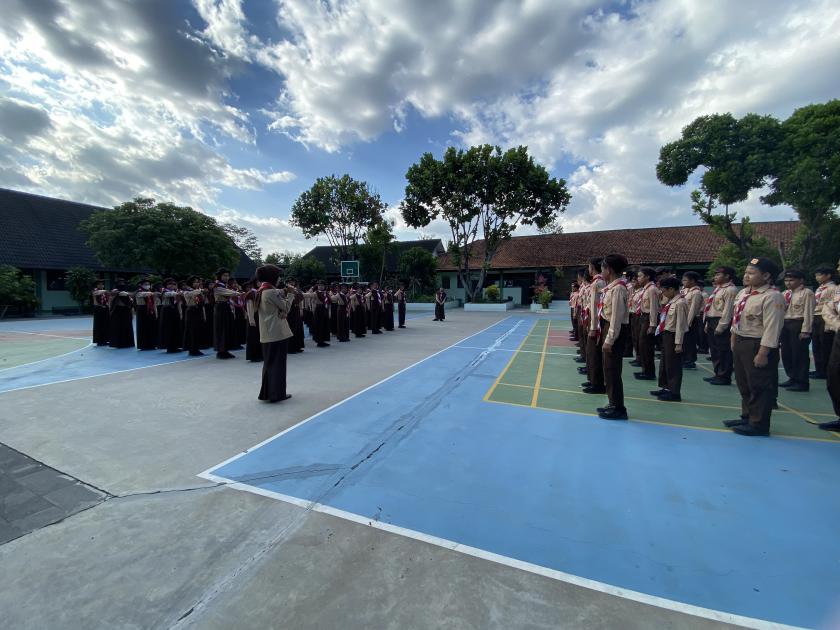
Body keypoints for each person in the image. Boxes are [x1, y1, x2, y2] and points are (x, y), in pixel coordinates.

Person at [724, 257, 785, 436]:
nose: (746, 276)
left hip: (758, 344)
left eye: (751, 273)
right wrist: (734, 337)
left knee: (759, 384)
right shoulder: (744, 294)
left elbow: (772, 328)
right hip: (742, 340)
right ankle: (747, 416)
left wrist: (763, 353)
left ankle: (759, 424)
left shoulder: (773, 296)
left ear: (766, 276)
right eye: (746, 272)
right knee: (744, 383)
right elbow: (737, 317)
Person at [595, 254, 630, 420]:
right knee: (608, 369)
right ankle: (612, 402)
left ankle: (618, 408)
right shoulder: (612, 288)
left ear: (609, 269)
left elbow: (616, 317)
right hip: (608, 327)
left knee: (613, 370)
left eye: (603, 268)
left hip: (613, 330)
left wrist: (609, 339)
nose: (601, 271)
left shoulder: (618, 289)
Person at [255, 264, 294, 403]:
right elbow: (286, 307)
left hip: (267, 332)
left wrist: (282, 307)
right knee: (278, 364)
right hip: (276, 332)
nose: (279, 279)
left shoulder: (262, 290)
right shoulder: (270, 292)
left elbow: (277, 304)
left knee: (269, 364)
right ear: (272, 277)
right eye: (277, 276)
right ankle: (277, 394)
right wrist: (290, 294)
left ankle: (268, 392)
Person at [651, 277, 688, 402]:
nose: (662, 293)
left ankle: (674, 392)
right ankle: (665, 387)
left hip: (673, 336)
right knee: (665, 363)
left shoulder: (681, 303)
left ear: (671, 289)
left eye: (664, 290)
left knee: (673, 365)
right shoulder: (671, 302)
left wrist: (679, 343)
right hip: (666, 334)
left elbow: (681, 325)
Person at [702, 266, 739, 386]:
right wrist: (707, 322)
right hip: (712, 319)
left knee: (724, 350)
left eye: (718, 274)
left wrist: (721, 326)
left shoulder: (730, 290)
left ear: (727, 276)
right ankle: (717, 373)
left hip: (721, 321)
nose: (715, 277)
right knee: (714, 350)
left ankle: (724, 376)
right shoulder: (718, 289)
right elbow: (711, 307)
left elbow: (728, 310)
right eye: (715, 274)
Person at [780, 270, 814, 392]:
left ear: (801, 280)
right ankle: (792, 377)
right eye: (786, 280)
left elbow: (809, 312)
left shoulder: (807, 293)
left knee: (799, 354)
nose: (788, 283)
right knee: (787, 352)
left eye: (792, 280)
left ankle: (802, 381)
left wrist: (806, 330)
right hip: (786, 323)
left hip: (798, 323)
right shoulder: (785, 293)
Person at [820, 258, 840, 431]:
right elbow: (827, 309)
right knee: (834, 376)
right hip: (839, 334)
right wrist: (837, 325)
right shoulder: (838, 291)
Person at [583, 258, 607, 393]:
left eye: (590, 267)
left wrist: (593, 327)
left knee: (595, 354)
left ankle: (597, 383)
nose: (589, 270)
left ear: (593, 268)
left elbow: (595, 306)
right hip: (595, 321)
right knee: (591, 353)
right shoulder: (598, 282)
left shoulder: (598, 283)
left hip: (596, 322)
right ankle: (593, 380)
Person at [812, 266, 837, 379]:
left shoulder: (833, 288)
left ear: (828, 275)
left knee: (825, 345)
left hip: (825, 318)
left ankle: (825, 370)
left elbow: (832, 307)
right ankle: (819, 369)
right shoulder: (819, 288)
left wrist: (829, 323)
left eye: (820, 274)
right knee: (816, 344)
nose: (817, 277)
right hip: (816, 316)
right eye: (816, 275)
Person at [634, 267, 659, 381]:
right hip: (642, 317)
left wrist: (653, 325)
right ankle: (645, 370)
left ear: (647, 277)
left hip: (648, 318)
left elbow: (654, 308)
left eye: (640, 276)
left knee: (647, 346)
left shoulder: (652, 289)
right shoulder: (645, 289)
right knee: (642, 345)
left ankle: (649, 372)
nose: (638, 278)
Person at [213, 269, 241, 359]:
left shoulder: (225, 285)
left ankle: (226, 350)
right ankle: (220, 351)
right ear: (220, 276)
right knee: (221, 329)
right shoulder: (217, 286)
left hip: (226, 307)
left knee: (227, 328)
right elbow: (227, 292)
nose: (226, 277)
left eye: (227, 275)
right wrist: (238, 293)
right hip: (220, 307)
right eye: (224, 275)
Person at [681, 271, 704, 369]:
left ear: (693, 281)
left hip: (691, 320)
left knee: (690, 341)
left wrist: (688, 322)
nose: (683, 282)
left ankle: (690, 360)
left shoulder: (696, 293)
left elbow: (693, 309)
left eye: (685, 280)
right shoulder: (686, 291)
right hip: (684, 319)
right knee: (685, 340)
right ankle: (685, 358)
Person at [181, 276, 206, 357]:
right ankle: (192, 349)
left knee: (198, 330)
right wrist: (201, 290)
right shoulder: (187, 291)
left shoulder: (198, 291)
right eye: (195, 282)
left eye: (198, 282)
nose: (197, 283)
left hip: (198, 310)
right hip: (191, 311)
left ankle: (196, 348)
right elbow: (191, 294)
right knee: (192, 330)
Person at [108, 278, 135, 348]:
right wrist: (118, 293)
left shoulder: (126, 292)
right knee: (118, 327)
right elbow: (112, 296)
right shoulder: (114, 291)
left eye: (123, 283)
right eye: (120, 283)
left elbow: (131, 301)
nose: (122, 284)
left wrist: (132, 313)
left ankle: (128, 343)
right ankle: (118, 343)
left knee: (127, 326)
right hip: (117, 311)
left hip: (126, 310)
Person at [158, 278, 182, 353]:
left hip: (174, 310)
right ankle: (169, 347)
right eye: (170, 284)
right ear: (166, 285)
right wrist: (178, 293)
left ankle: (175, 346)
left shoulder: (175, 291)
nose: (172, 285)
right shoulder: (164, 291)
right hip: (167, 310)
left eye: (173, 284)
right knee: (168, 329)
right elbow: (170, 294)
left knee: (175, 328)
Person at [134, 278, 159, 350]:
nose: (147, 286)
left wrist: (156, 312)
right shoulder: (138, 292)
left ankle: (152, 344)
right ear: (141, 285)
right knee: (143, 328)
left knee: (152, 327)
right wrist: (152, 293)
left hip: (150, 310)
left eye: (148, 284)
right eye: (145, 284)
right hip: (142, 310)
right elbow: (143, 295)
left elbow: (154, 302)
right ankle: (143, 345)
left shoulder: (150, 292)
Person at [244, 280, 264, 362]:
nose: (260, 283)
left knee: (259, 336)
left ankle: (260, 354)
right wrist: (251, 319)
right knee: (253, 336)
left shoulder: (260, 292)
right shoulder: (251, 293)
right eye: (259, 282)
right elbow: (249, 307)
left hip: (259, 316)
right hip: (253, 317)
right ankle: (254, 356)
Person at [91, 279, 110, 346]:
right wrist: (106, 291)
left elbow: (108, 299)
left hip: (105, 308)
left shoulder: (104, 292)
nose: (101, 285)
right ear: (97, 285)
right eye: (99, 284)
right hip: (98, 308)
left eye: (102, 284)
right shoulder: (95, 290)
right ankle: (99, 340)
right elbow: (98, 293)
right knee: (99, 325)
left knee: (106, 324)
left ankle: (106, 339)